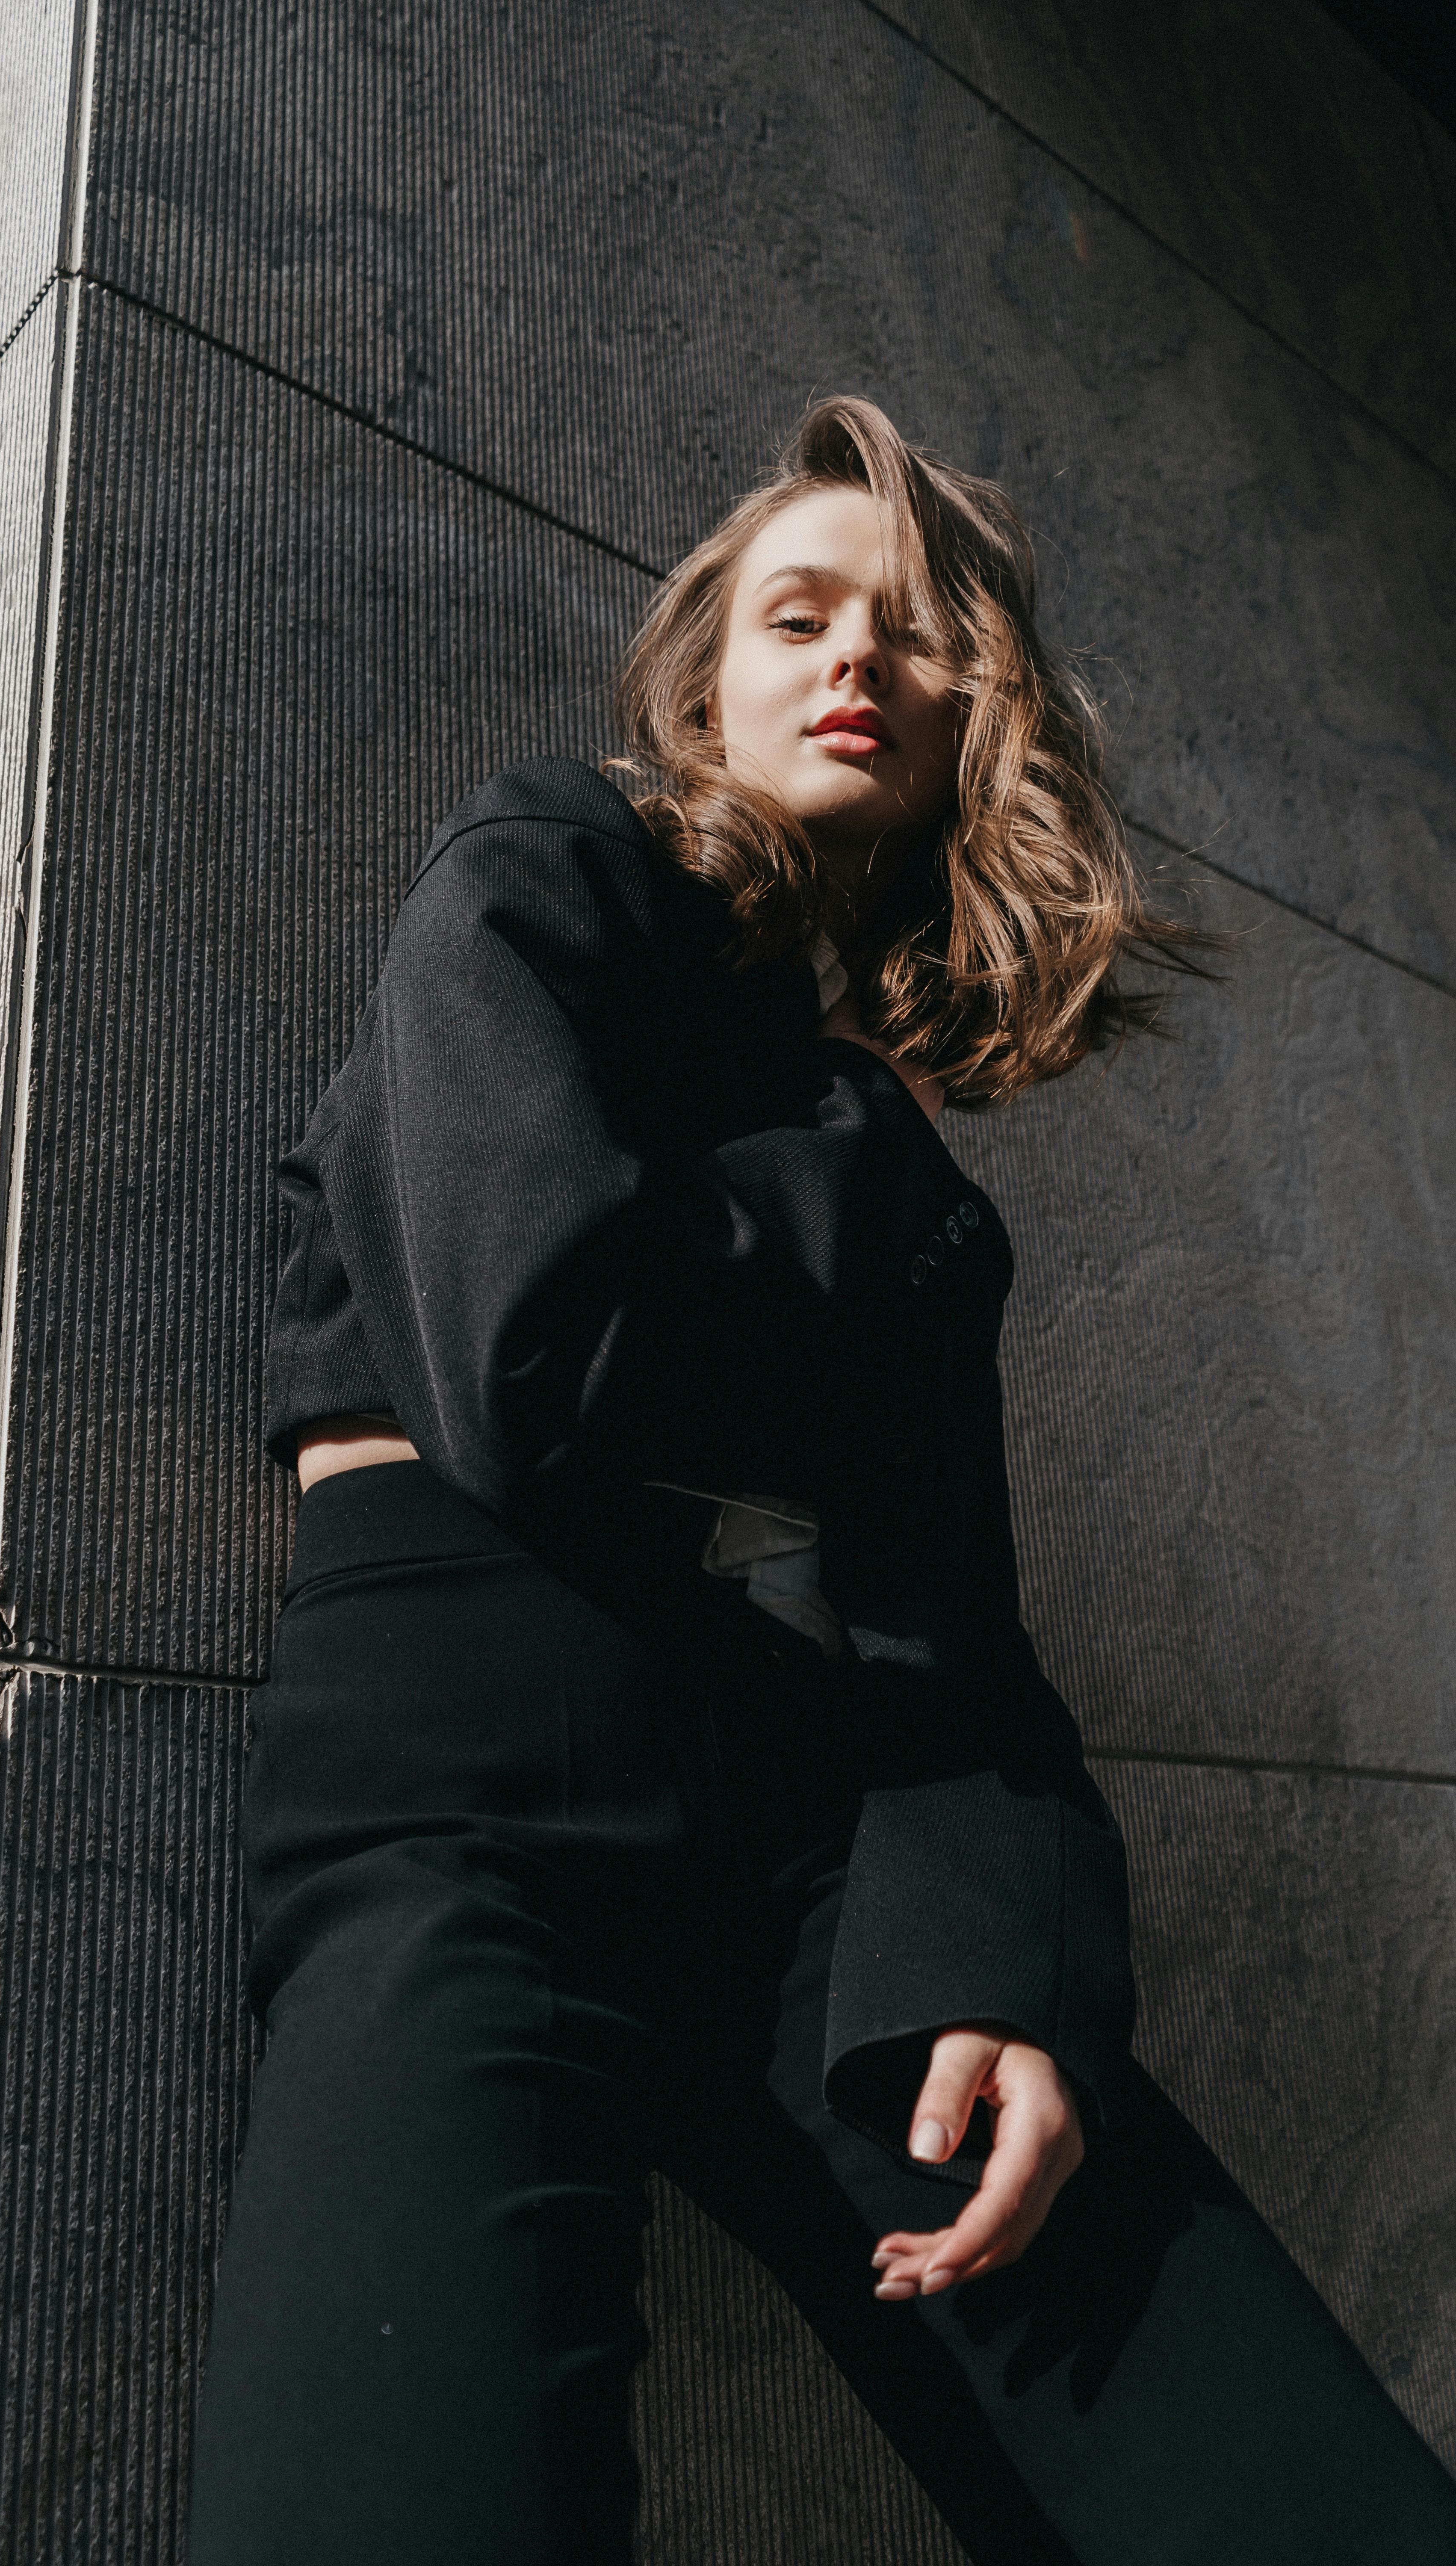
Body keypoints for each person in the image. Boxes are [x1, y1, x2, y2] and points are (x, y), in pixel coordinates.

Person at [188, 398, 1456, 2563]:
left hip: (831, 1861)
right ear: (707, 681)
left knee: (1290, 2496)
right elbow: (534, 1351)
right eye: (801, 613)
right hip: (465, 1797)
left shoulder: (899, 1154)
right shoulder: (540, 876)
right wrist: (868, 1197)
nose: (857, 657)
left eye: (920, 635)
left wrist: (1024, 1970)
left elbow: (951, 1630)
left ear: (988, 720)